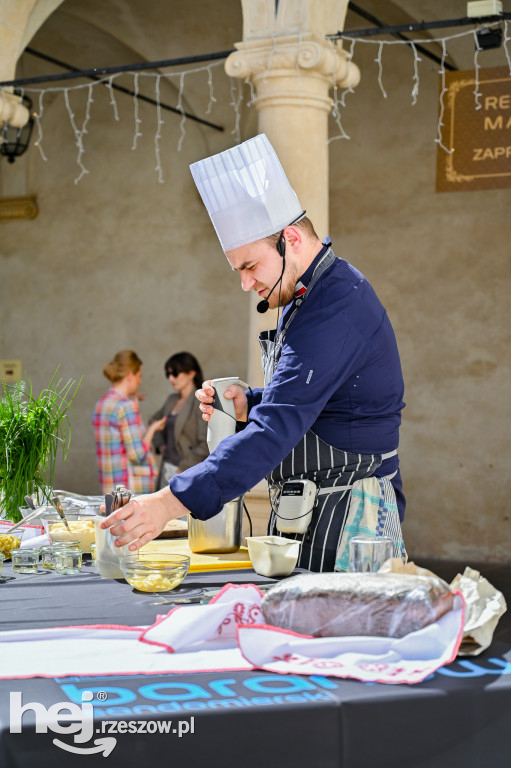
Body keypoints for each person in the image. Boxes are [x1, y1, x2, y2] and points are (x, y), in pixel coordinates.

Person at [100, 135, 405, 572]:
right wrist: (252, 401)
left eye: (249, 266)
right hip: (311, 513)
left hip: (352, 522)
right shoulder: (304, 295)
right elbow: (321, 399)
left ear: (291, 239)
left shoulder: (337, 303)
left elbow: (276, 429)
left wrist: (170, 501)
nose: (246, 284)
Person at [93, 350, 166, 495]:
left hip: (111, 489)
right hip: (130, 491)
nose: (140, 381)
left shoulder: (102, 404)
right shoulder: (126, 407)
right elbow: (137, 455)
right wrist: (152, 429)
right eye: (139, 376)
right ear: (130, 375)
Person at [150, 352, 208, 489]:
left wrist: (184, 467)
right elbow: (154, 421)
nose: (171, 378)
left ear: (191, 373)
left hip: (187, 472)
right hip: (166, 468)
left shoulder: (200, 402)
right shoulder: (172, 400)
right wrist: (161, 445)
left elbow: (205, 444)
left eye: (175, 373)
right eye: (168, 374)